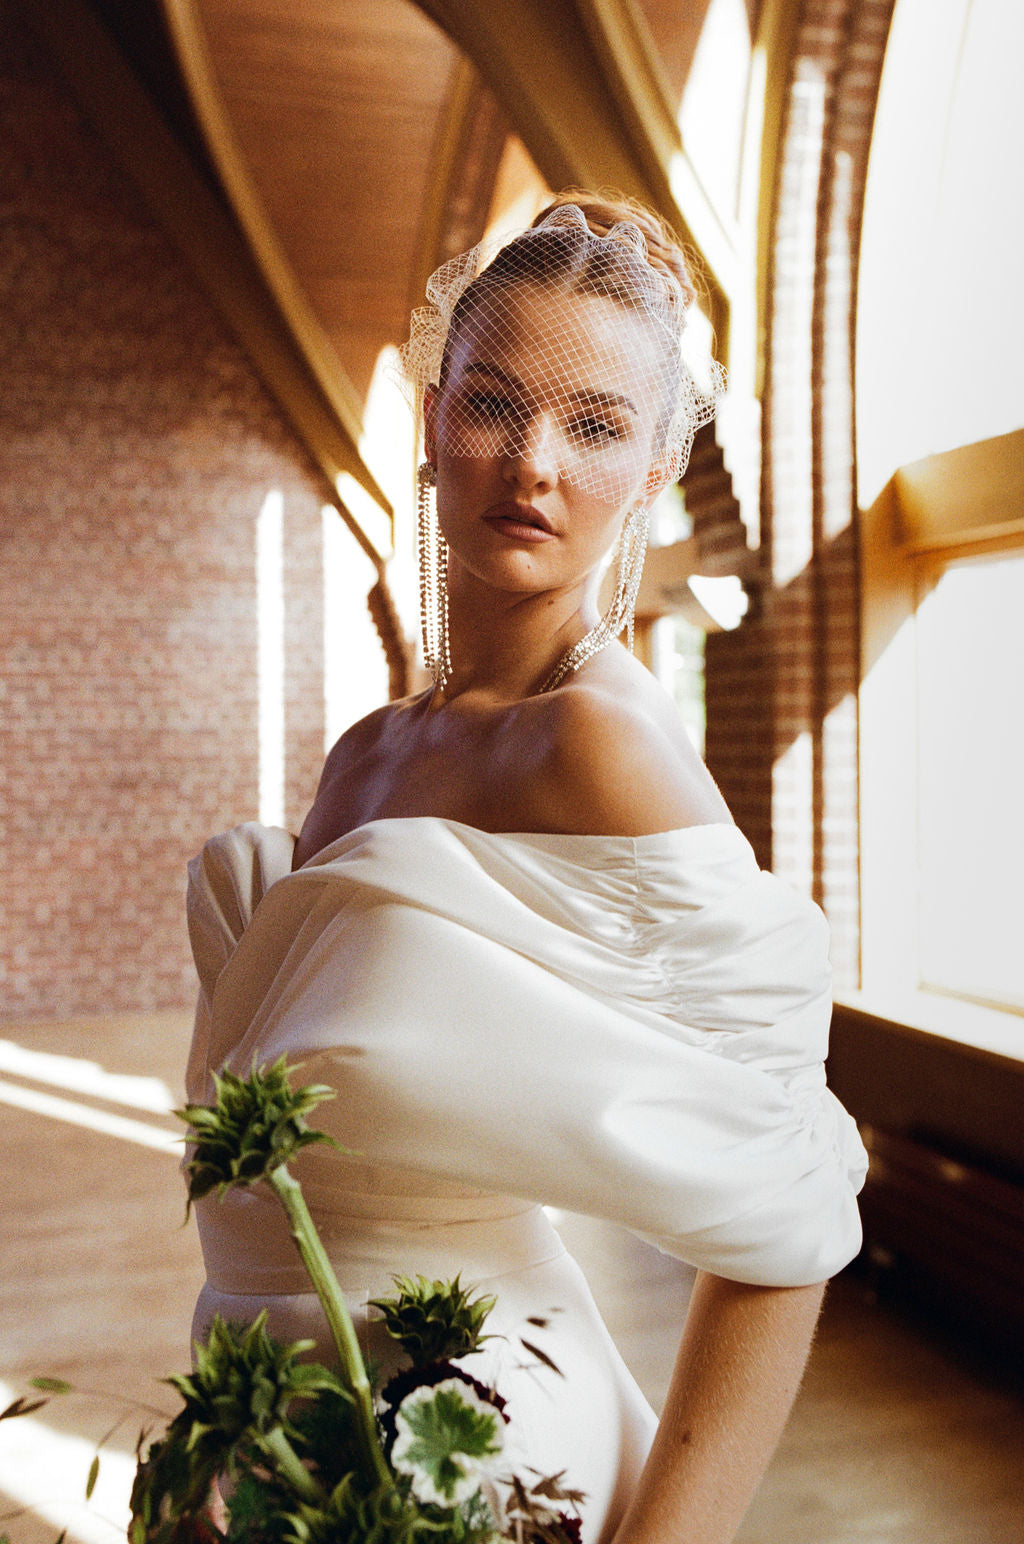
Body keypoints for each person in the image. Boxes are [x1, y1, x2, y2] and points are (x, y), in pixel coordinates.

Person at [185, 192, 867, 1543]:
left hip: (481, 1461)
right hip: (271, 1447)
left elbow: (787, 1216)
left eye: (597, 424)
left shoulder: (603, 748)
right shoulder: (368, 753)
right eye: (495, 404)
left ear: (657, 467)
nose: (534, 463)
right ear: (434, 422)